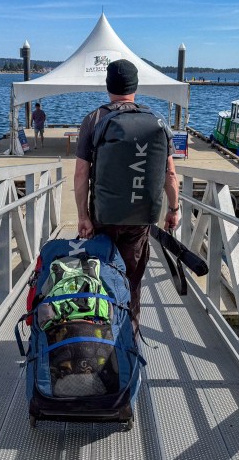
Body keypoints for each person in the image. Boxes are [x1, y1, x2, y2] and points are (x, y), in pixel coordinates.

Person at [74, 59, 180, 336]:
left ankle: (98, 335)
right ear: (135, 86)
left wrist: (83, 216)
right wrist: (174, 209)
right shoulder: (156, 121)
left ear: (108, 86)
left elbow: (81, 174)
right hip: (140, 218)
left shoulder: (94, 119)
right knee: (132, 280)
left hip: (103, 217)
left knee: (99, 275)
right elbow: (170, 175)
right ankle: (128, 338)